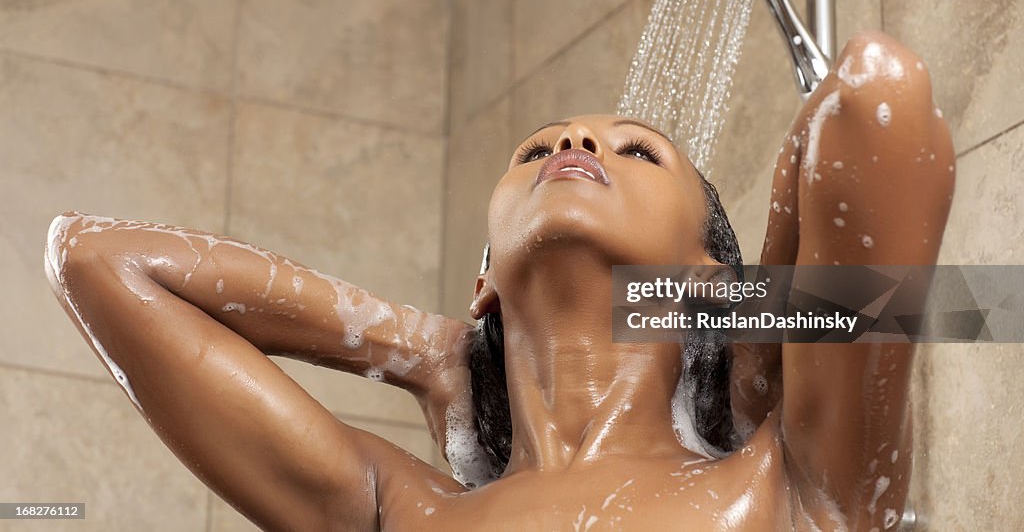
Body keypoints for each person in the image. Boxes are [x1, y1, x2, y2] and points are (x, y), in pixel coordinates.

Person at [44, 31, 954, 530]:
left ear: (703, 271)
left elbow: (878, 98)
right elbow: (94, 261)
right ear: (483, 277)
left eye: (635, 151)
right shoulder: (398, 508)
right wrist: (417, 347)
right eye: (539, 149)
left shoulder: (790, 483)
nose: (576, 144)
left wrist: (735, 317)